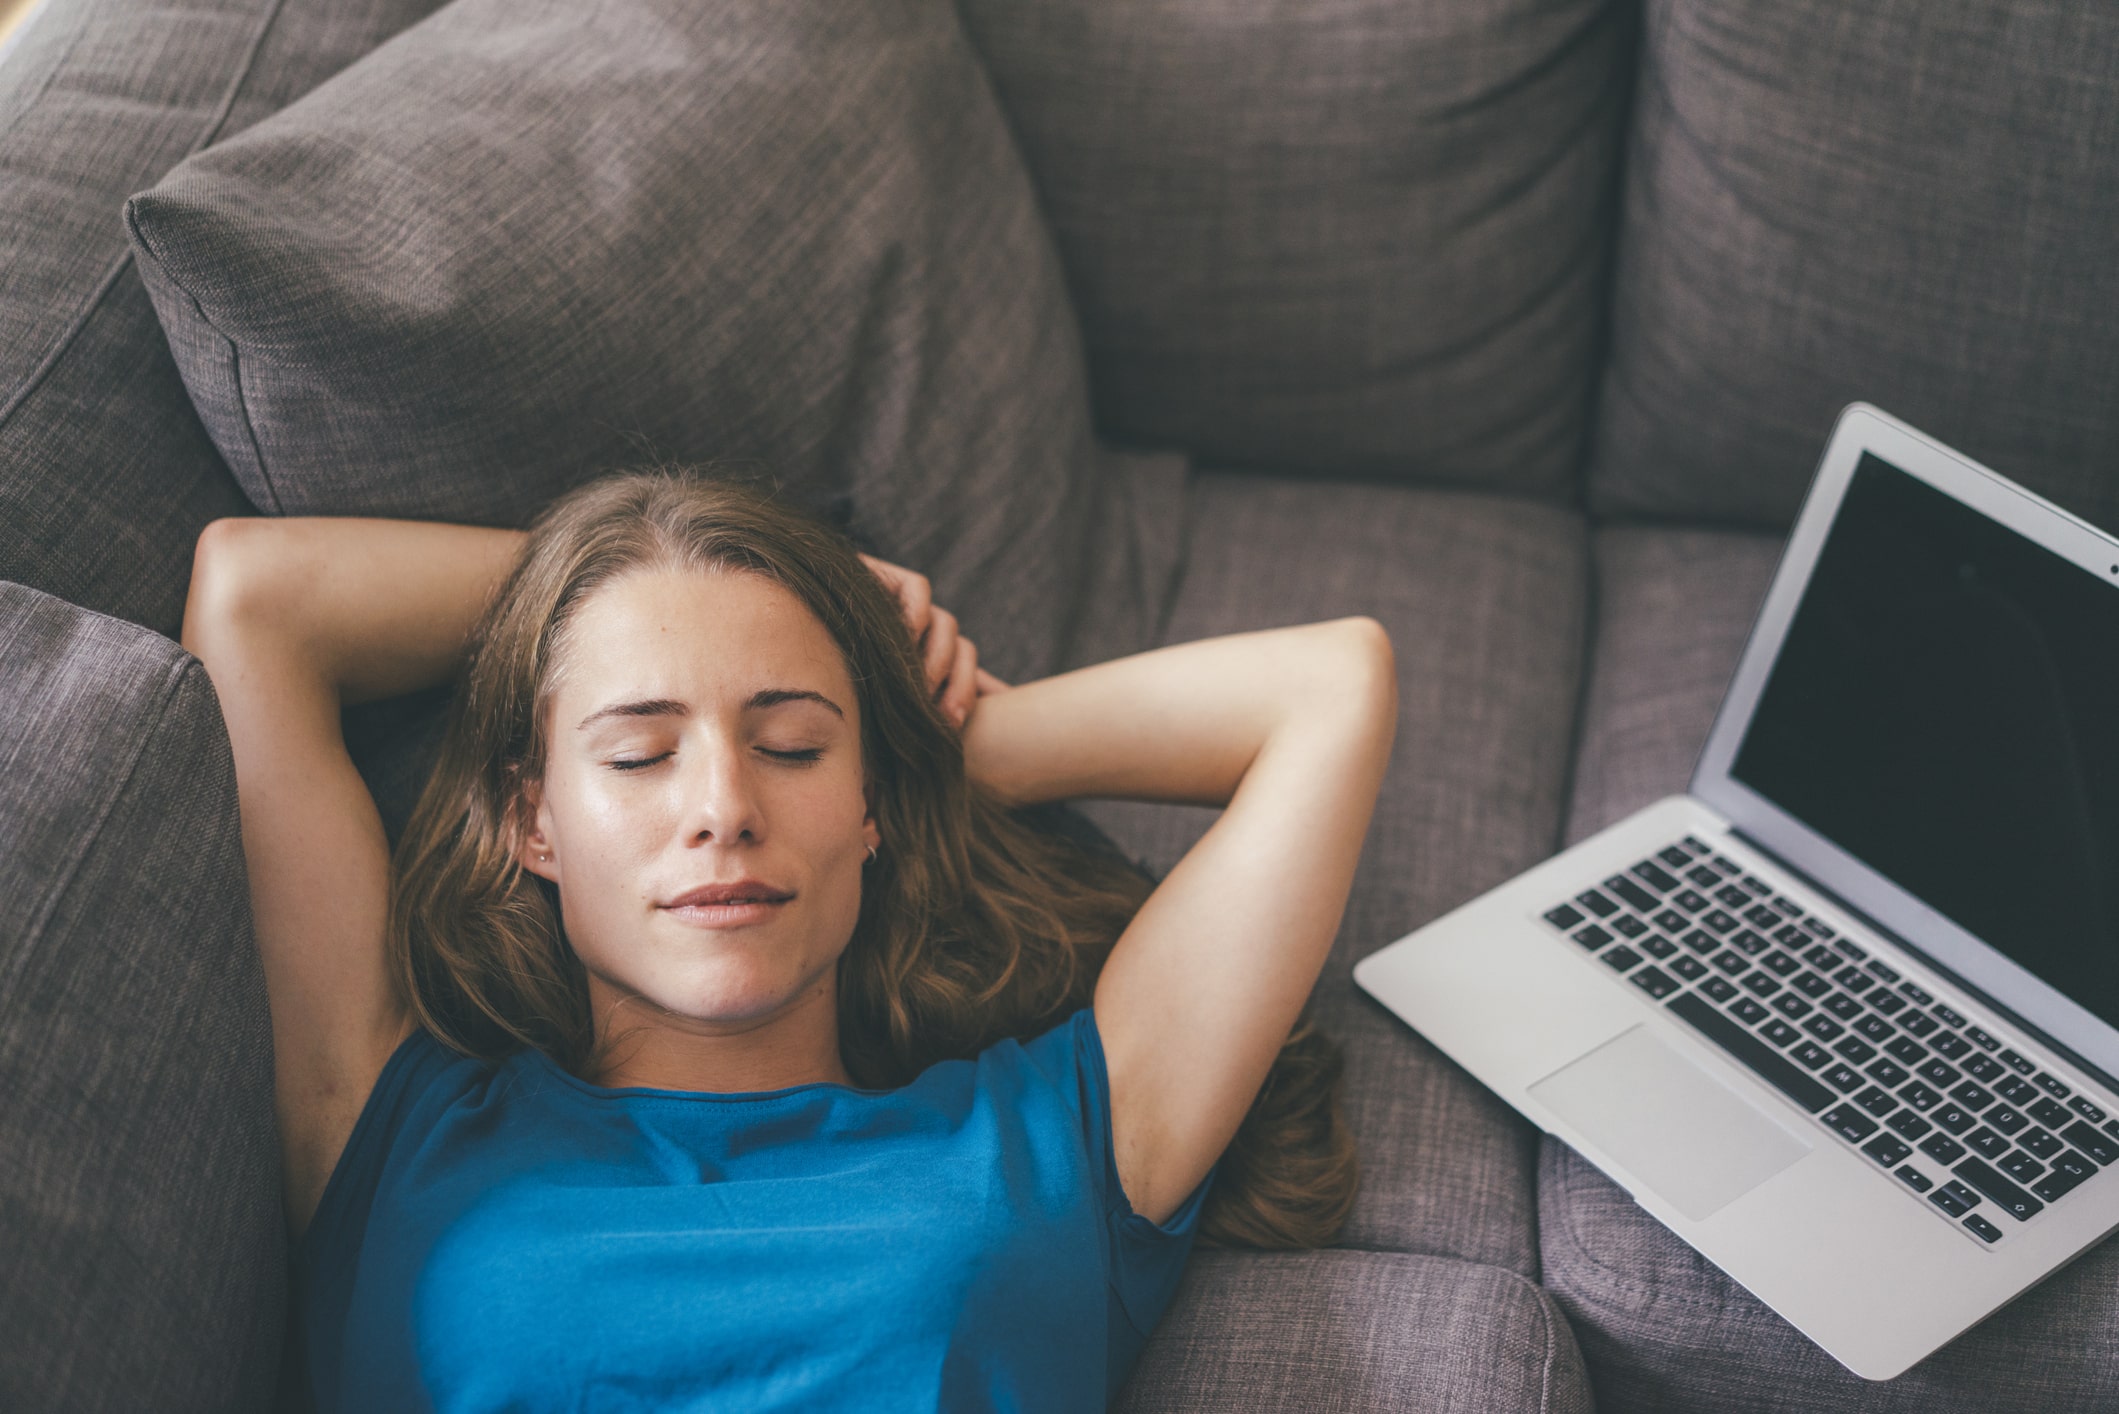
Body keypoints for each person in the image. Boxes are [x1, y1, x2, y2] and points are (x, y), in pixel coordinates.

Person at [180, 467, 1396, 1412]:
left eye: (795, 745)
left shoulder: (1052, 1141)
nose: (725, 806)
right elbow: (258, 595)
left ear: (866, 809)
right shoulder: (389, 1126)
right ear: (532, 820)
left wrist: (927, 753)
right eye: (637, 753)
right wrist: (634, 580)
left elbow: (1330, 685)